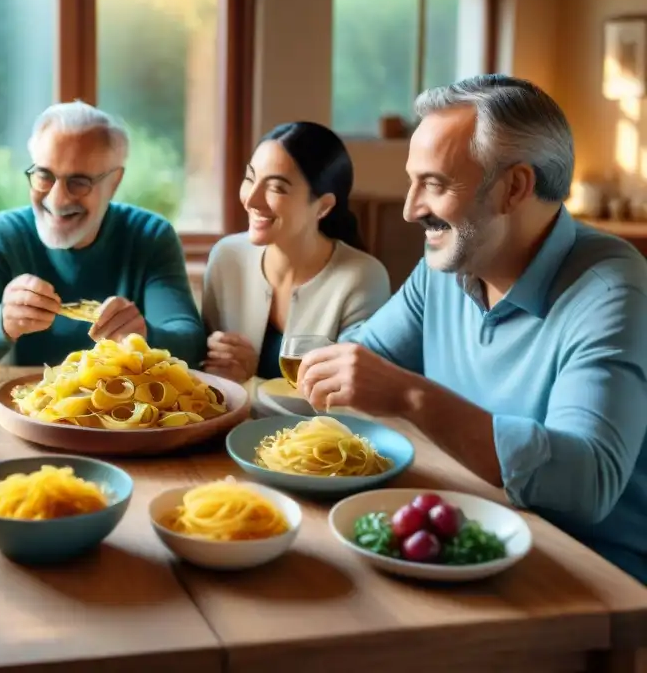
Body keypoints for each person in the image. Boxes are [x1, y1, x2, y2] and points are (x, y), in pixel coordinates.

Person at [297, 75, 647, 584]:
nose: (410, 208)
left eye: (434, 184)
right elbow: (361, 368)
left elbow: (587, 482)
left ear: (515, 187)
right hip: (462, 536)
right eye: (413, 181)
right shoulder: (446, 266)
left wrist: (413, 398)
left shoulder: (611, 291)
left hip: (588, 578)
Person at [0, 100, 205, 367]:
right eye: (44, 176)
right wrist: (2, 321)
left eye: (79, 182)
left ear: (114, 183)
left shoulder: (151, 236)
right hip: (27, 404)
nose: (57, 199)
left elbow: (192, 343)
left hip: (124, 405)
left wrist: (145, 335)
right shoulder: (3, 236)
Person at [200, 122, 390, 383]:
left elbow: (351, 400)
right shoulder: (227, 258)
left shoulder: (362, 278)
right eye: (250, 178)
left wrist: (249, 381)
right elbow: (205, 376)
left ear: (323, 206)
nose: (251, 200)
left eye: (276, 188)